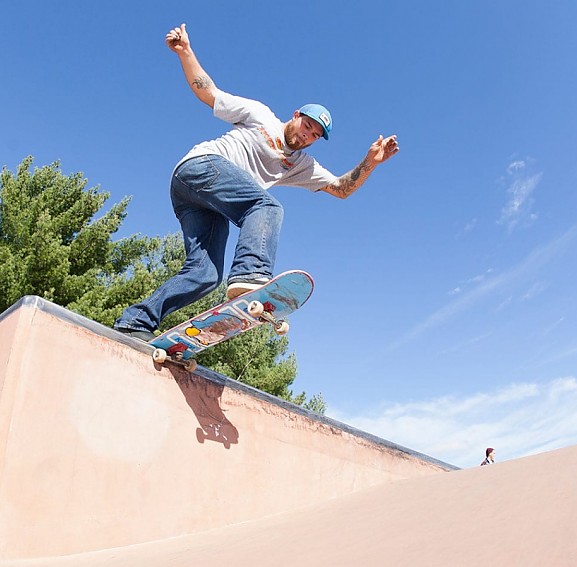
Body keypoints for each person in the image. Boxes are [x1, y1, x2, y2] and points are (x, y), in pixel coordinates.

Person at [114, 23, 401, 340]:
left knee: (205, 275)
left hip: (203, 203)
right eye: (307, 126)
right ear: (295, 116)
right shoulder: (260, 114)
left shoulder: (301, 164)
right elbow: (209, 93)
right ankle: (251, 274)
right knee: (267, 207)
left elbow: (341, 189)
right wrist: (185, 52)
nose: (307, 136)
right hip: (200, 167)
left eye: (315, 136)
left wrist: (370, 163)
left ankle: (136, 322)